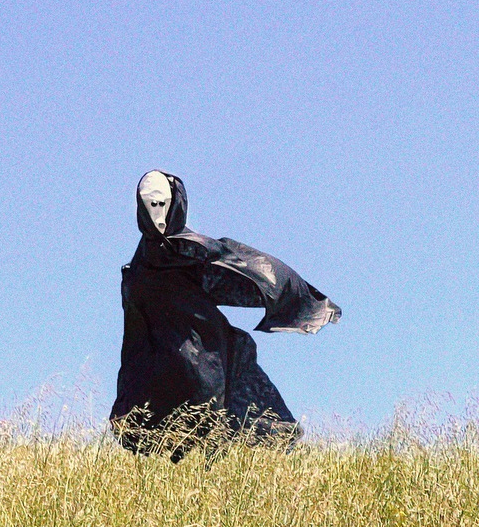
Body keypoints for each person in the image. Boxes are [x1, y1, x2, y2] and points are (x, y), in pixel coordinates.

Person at [110, 170, 340, 458]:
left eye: (161, 204)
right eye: (149, 205)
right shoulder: (139, 269)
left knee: (237, 419)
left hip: (210, 354)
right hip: (164, 364)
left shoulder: (193, 251)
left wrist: (303, 301)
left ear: (175, 205)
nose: (156, 212)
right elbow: (134, 330)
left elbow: (248, 269)